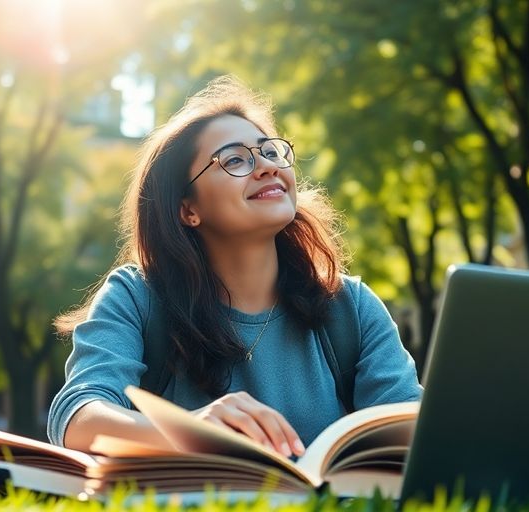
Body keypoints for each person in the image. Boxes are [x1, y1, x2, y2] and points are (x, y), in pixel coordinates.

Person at [48, 76, 422, 458]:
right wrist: (194, 432)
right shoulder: (137, 298)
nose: (266, 167)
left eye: (271, 152)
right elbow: (78, 417)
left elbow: (413, 430)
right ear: (188, 209)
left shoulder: (350, 307)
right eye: (235, 160)